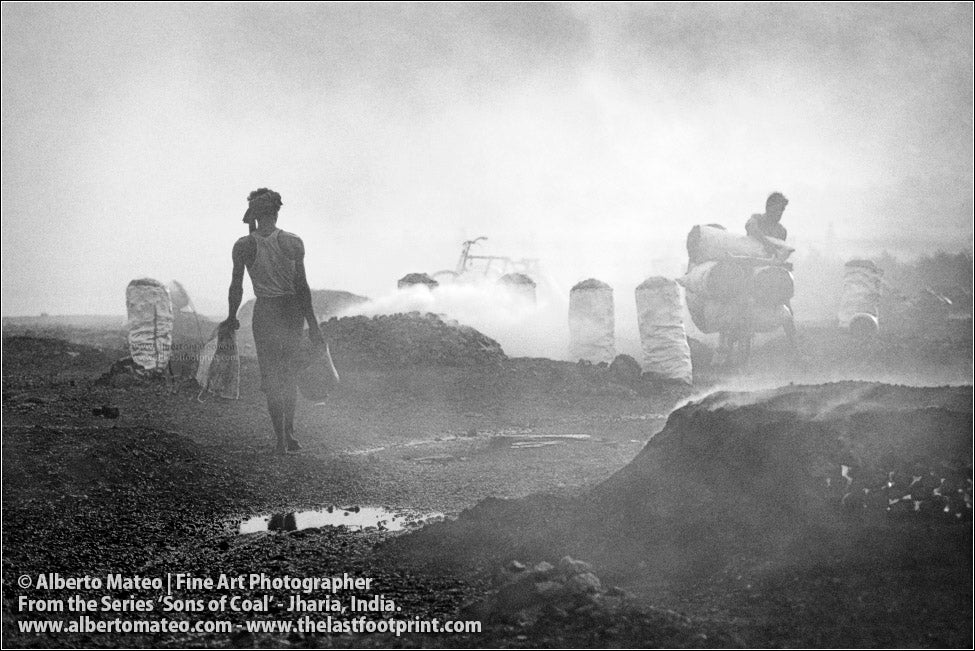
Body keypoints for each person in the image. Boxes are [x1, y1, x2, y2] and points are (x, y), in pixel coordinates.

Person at [222, 188, 324, 454]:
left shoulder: (243, 246)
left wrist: (232, 316)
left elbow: (237, 286)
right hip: (291, 311)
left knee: (271, 377)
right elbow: (302, 287)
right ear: (277, 212)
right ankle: (289, 433)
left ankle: (279, 437)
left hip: (265, 313)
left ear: (253, 214)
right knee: (288, 374)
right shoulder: (293, 242)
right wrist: (313, 325)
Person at [746, 191, 789, 258]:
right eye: (776, 209)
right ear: (768, 207)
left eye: (781, 210)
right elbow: (751, 227)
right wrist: (767, 244)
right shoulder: (757, 219)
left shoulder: (782, 231)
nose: (779, 213)